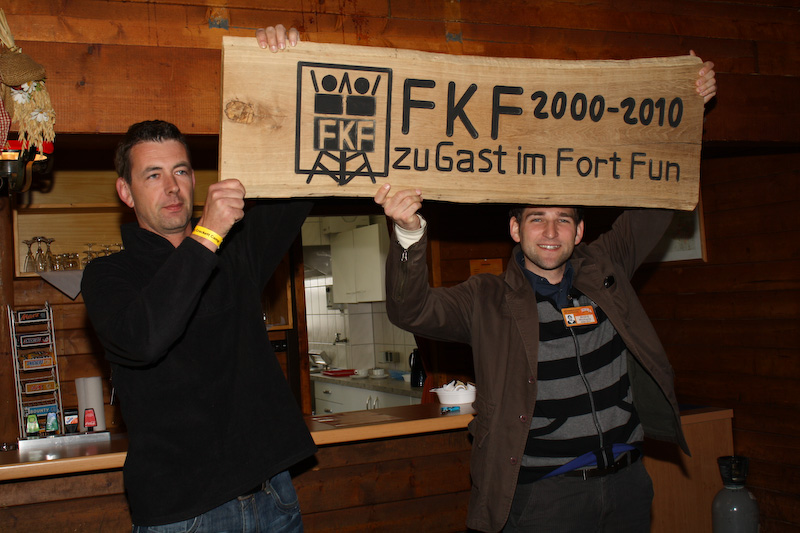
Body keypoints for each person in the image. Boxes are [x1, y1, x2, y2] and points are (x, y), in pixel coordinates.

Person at [375, 60, 716, 533]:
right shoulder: (486, 299)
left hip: (628, 486)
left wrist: (687, 111)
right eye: (537, 218)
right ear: (516, 229)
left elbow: (659, 195)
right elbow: (410, 309)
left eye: (563, 220)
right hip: (545, 499)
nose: (551, 232)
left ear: (580, 230)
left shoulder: (607, 265)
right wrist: (409, 234)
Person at [81, 27, 315, 532]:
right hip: (184, 515)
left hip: (272, 494)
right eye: (153, 175)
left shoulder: (236, 251)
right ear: (126, 192)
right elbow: (145, 339)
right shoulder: (108, 274)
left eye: (182, 171)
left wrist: (280, 71)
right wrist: (207, 233)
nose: (172, 187)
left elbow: (304, 176)